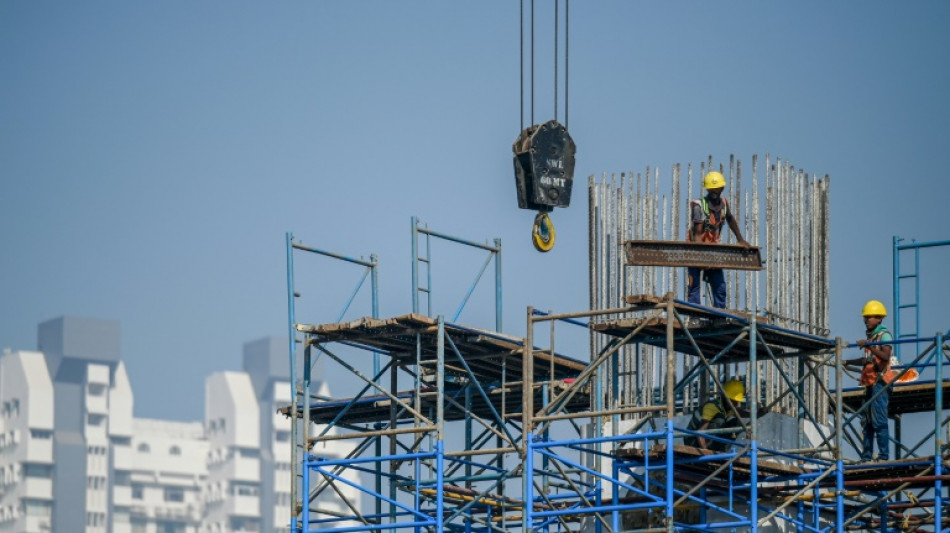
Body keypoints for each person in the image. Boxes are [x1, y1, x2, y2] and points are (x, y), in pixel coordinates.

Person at [687, 171, 751, 308]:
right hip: (695, 249)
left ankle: (719, 317)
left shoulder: (723, 204)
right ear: (708, 189)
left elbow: (730, 219)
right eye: (712, 189)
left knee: (720, 287)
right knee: (694, 287)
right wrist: (700, 257)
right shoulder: (699, 206)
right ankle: (694, 316)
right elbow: (698, 233)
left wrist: (740, 239)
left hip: (712, 248)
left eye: (717, 189)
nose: (714, 192)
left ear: (721, 189)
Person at [844, 300, 894, 462]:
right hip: (869, 384)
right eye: (865, 318)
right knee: (867, 423)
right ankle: (866, 457)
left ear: (879, 319)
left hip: (880, 384)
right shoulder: (871, 338)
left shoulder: (883, 335)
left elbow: (886, 356)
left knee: (879, 421)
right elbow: (868, 360)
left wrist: (870, 346)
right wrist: (848, 362)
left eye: (870, 317)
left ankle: (884, 456)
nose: (866, 320)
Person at [685, 379, 747, 451]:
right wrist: (707, 454)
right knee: (720, 420)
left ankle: (723, 451)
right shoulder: (712, 407)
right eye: (732, 401)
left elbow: (739, 413)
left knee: (735, 422)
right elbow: (700, 433)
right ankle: (714, 450)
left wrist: (757, 414)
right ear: (725, 397)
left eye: (736, 402)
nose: (735, 404)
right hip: (692, 441)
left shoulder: (726, 408)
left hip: (703, 439)